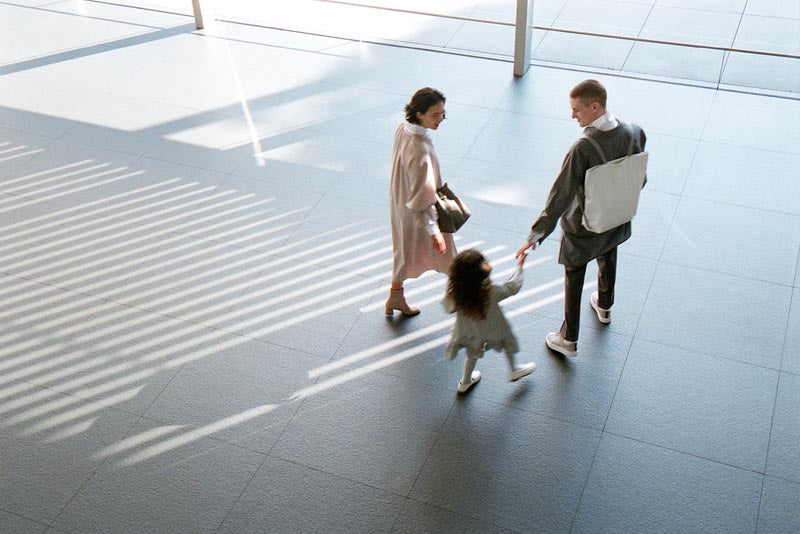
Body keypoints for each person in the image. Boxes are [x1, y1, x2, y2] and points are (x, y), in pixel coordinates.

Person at [516, 79, 647, 357]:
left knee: (574, 275)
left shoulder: (583, 148)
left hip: (584, 225)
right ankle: (605, 305)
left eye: (577, 109)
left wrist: (536, 234)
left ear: (595, 106)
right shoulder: (635, 132)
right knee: (608, 254)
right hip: (616, 217)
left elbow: (560, 195)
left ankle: (569, 338)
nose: (573, 115)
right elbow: (640, 177)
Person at [386, 87, 456, 316]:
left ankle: (396, 297)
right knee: (448, 253)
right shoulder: (419, 149)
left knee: (403, 252)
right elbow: (421, 194)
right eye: (435, 115)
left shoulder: (403, 129)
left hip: (400, 202)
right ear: (419, 114)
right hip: (419, 210)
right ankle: (457, 295)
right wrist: (432, 228)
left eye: (443, 114)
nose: (441, 119)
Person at [443, 249, 537, 393]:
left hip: (471, 331)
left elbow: (448, 308)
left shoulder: (457, 293)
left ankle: (465, 381)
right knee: (507, 342)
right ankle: (513, 369)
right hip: (494, 327)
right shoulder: (491, 291)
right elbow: (512, 287)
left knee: (472, 353)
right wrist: (519, 267)